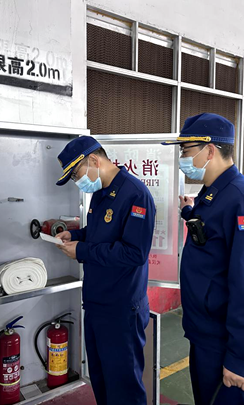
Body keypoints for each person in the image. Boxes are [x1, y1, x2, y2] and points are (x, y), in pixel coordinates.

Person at [161, 113, 244, 405]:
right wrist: (189, 211)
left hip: (227, 345)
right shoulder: (212, 193)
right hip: (205, 334)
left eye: (186, 151)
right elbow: (209, 233)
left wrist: (240, 358)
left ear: (210, 150)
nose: (182, 158)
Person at [54, 136, 155, 405]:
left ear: (94, 160)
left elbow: (134, 253)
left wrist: (83, 251)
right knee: (101, 379)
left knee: (123, 386)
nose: (77, 181)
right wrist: (76, 235)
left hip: (121, 308)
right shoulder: (100, 192)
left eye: (76, 174)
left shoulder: (136, 194)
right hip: (97, 303)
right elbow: (101, 233)